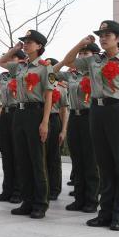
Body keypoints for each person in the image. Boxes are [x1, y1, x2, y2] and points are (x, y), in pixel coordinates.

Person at [57, 21, 119, 232]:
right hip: (96, 110)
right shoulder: (94, 60)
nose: (103, 38)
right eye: (101, 35)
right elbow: (68, 61)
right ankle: (104, 213)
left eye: (108, 34)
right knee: (103, 164)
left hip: (117, 111)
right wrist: (81, 43)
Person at [0, 30, 53, 219]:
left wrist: (45, 121)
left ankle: (40, 203)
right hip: (19, 113)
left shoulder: (45, 67)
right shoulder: (21, 67)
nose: (26, 44)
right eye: (25, 42)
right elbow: (0, 63)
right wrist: (14, 49)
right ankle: (27, 201)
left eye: (30, 42)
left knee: (37, 160)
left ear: (39, 46)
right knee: (22, 159)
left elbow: (48, 96)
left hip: (36, 112)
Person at [62, 42, 99, 212]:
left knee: (90, 160)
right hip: (74, 117)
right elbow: (54, 70)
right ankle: (79, 197)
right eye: (81, 53)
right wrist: (77, 46)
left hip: (90, 116)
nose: (82, 56)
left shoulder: (97, 72)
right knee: (77, 160)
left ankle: (91, 200)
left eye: (86, 53)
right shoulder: (73, 75)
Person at [0, 52, 25, 204]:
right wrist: (10, 53)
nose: (9, 61)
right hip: (5, 113)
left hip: (19, 112)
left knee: (18, 154)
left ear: (21, 60)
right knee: (6, 153)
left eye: (13, 58)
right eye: (8, 58)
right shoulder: (2, 77)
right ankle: (7, 189)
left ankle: (18, 190)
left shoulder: (25, 73)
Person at [44, 59, 68, 201]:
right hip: (40, 119)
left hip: (54, 120)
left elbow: (64, 110)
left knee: (53, 157)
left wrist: (63, 130)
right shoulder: (39, 84)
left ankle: (54, 189)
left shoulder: (60, 88)